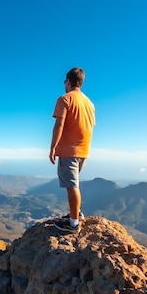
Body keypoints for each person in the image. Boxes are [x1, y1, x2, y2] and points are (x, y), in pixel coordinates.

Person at [49, 67, 96, 233]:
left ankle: (73, 224)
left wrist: (53, 146)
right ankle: (76, 214)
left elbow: (59, 125)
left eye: (64, 82)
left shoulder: (65, 99)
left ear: (68, 82)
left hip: (70, 151)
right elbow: (89, 127)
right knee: (73, 184)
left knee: (72, 186)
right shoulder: (89, 104)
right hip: (84, 151)